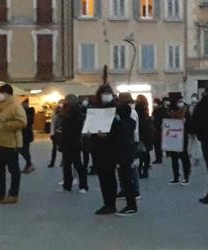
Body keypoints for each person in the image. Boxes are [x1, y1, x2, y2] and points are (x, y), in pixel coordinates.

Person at [91, 85, 138, 216]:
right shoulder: (96, 109)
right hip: (102, 149)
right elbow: (92, 126)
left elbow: (128, 126)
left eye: (107, 93)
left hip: (118, 147)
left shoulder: (120, 108)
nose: (105, 96)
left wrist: (110, 132)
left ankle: (131, 205)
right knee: (105, 177)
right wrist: (94, 133)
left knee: (125, 177)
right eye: (103, 93)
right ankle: (109, 204)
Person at [0, 85, 27, 205]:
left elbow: (22, 122)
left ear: (7, 94)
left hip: (11, 143)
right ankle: (0, 194)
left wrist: (6, 126)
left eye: (1, 93)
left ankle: (13, 194)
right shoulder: (0, 107)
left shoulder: (15, 106)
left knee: (13, 170)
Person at [56, 94, 87, 193]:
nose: (66, 102)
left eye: (67, 100)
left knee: (78, 164)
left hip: (74, 142)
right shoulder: (65, 110)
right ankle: (67, 185)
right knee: (67, 165)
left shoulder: (77, 112)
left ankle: (83, 186)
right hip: (66, 141)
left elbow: (75, 126)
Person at [166, 97, 192, 185]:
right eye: (178, 101)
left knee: (184, 155)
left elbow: (190, 122)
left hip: (183, 134)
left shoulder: (185, 110)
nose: (180, 103)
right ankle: (176, 176)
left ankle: (186, 176)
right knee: (174, 156)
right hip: (172, 135)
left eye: (181, 101)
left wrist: (186, 122)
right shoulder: (170, 111)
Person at [135, 97, 154, 178]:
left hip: (141, 134)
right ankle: (145, 170)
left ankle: (140, 169)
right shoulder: (146, 109)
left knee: (141, 153)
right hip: (147, 135)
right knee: (146, 154)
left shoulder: (137, 109)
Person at [20, 98, 36, 174]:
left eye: (23, 104)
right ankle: (28, 165)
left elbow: (28, 121)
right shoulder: (23, 111)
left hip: (27, 134)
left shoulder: (30, 110)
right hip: (23, 134)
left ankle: (29, 164)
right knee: (24, 150)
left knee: (24, 149)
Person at [152, 98, 169, 164]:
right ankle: (167, 154)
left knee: (157, 145)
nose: (154, 104)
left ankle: (159, 158)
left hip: (157, 129)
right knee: (162, 143)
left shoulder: (156, 111)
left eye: (155, 103)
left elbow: (154, 120)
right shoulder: (165, 110)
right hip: (164, 129)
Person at [48, 102, 62, 168]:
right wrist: (52, 133)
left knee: (63, 149)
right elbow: (52, 125)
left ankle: (62, 162)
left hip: (62, 134)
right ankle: (52, 162)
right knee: (54, 149)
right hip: (56, 134)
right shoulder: (55, 116)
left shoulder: (64, 115)